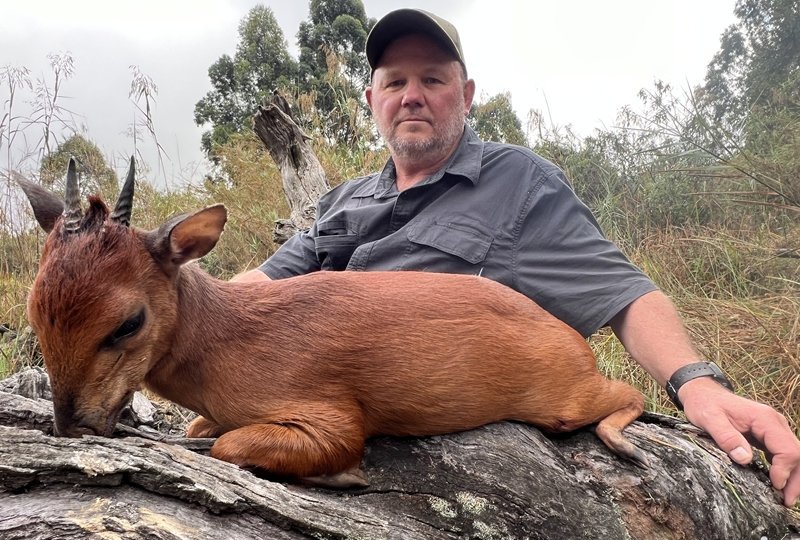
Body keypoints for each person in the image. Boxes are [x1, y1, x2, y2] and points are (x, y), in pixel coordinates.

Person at [233, 8, 800, 506]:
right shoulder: (342, 201)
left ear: (467, 94)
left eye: (433, 78)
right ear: (371, 99)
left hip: (423, 453)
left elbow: (624, 295)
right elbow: (248, 294)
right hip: (305, 420)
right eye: (394, 81)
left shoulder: (519, 184)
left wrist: (700, 385)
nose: (411, 95)